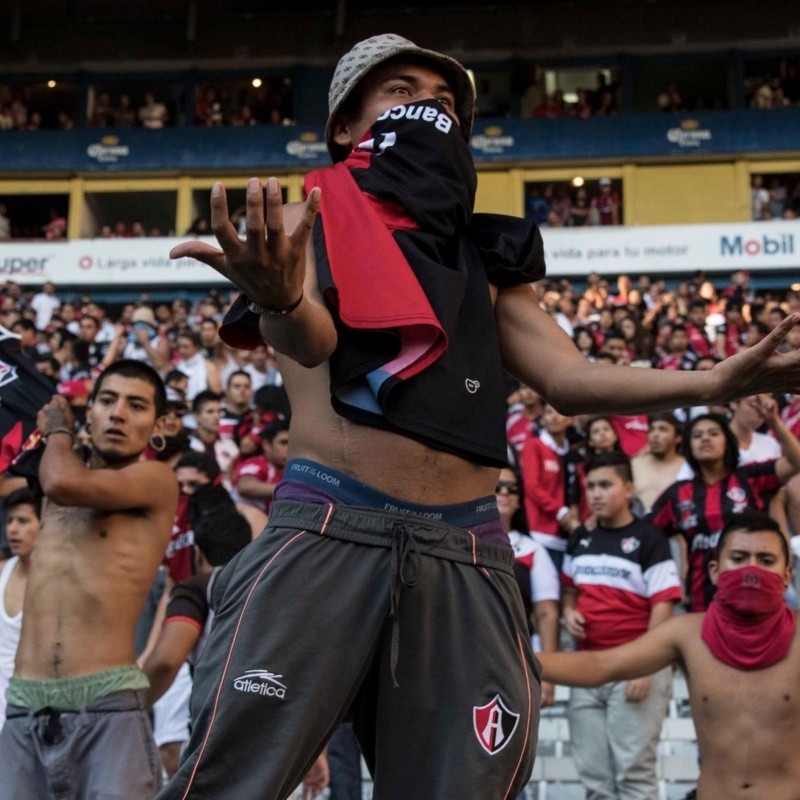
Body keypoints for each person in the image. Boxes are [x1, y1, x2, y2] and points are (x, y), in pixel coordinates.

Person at [162, 32, 800, 800]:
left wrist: (715, 377)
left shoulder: (483, 253)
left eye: (443, 102)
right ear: (344, 125)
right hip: (329, 528)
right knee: (232, 781)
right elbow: (310, 341)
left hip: (467, 545)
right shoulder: (307, 220)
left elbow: (571, 378)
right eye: (401, 92)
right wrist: (279, 298)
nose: (427, 109)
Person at [0, 359, 178, 800]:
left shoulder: (156, 479)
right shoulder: (53, 474)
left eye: (136, 406)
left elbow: (63, 483)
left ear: (157, 427)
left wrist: (57, 429)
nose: (118, 413)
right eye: (107, 400)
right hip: (25, 709)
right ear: (91, 412)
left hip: (107, 708)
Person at [539, 509, 800, 800]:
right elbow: (600, 665)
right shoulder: (687, 633)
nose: (751, 571)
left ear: (787, 575)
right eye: (738, 559)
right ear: (714, 570)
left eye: (766, 561)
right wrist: (519, 657)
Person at [561, 452, 681, 800]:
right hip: (586, 668)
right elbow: (569, 592)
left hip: (634, 668)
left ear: (628, 488)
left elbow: (664, 605)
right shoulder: (579, 537)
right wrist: (570, 613)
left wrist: (645, 667)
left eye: (605, 485)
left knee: (633, 778)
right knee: (594, 781)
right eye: (591, 487)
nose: (596, 494)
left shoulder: (649, 538)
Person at [650, 409, 800, 611]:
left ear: (727, 441)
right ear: (688, 446)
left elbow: (795, 462)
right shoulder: (677, 494)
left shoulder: (750, 477)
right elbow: (645, 533)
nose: (705, 438)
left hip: (759, 597)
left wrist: (773, 420)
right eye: (697, 435)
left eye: (713, 433)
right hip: (702, 603)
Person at [0, 489, 41, 732]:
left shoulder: (55, 581)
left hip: (31, 700)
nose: (13, 529)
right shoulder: (2, 570)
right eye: (9, 521)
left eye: (23, 521)